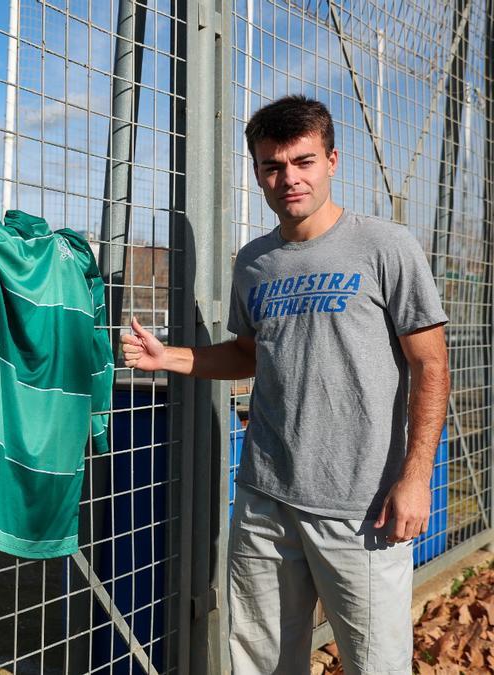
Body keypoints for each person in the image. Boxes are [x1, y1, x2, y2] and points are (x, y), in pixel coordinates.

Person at [122, 95, 450, 674]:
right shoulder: (254, 261)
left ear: (332, 160)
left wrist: (416, 477)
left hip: (362, 506)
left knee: (377, 665)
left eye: (303, 161)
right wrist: (169, 357)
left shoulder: (385, 245)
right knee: (262, 664)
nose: (288, 178)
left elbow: (430, 365)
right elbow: (249, 354)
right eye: (273, 166)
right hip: (265, 499)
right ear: (257, 172)